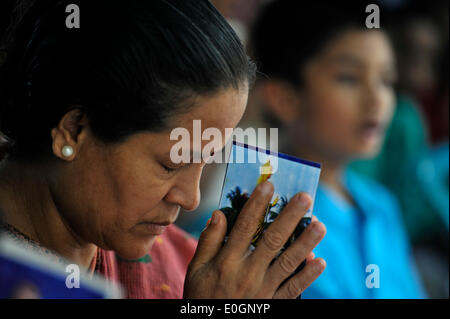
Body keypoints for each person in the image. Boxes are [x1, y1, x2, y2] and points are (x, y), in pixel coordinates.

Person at [0, 0, 327, 298]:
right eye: (171, 165)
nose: (191, 199)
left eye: (208, 160)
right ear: (73, 131)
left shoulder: (189, 271)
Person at [251, 0, 426, 298]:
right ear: (284, 98)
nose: (377, 100)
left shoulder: (381, 206)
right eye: (349, 78)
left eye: (386, 80)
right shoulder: (256, 214)